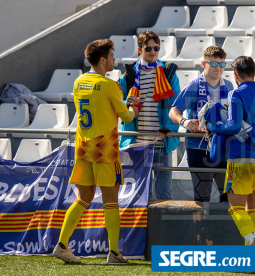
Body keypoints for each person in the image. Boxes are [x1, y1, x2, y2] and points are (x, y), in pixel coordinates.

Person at [53, 39, 138, 263]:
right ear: (102, 60)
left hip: (83, 147)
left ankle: (62, 246)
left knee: (83, 199)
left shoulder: (79, 82)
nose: (114, 60)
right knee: (111, 201)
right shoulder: (109, 85)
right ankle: (114, 253)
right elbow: (127, 117)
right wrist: (133, 105)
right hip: (105, 149)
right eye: (111, 56)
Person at [207, 56, 255, 271]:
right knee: (253, 207)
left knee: (235, 207)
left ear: (235, 75)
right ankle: (250, 257)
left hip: (241, 158)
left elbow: (233, 125)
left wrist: (213, 125)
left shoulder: (236, 92)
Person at [118, 30, 180, 201]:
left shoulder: (169, 73)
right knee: (140, 195)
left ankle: (162, 228)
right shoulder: (128, 76)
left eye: (156, 48)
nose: (153, 52)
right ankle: (143, 228)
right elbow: (116, 105)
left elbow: (177, 105)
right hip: (136, 143)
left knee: (163, 195)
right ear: (140, 49)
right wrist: (127, 104)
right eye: (148, 48)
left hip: (161, 141)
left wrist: (170, 128)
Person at [169, 46, 234, 203]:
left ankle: (225, 228)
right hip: (198, 148)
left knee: (228, 197)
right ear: (204, 63)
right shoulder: (194, 85)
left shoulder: (229, 86)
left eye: (222, 64)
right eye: (213, 64)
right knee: (202, 198)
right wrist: (184, 121)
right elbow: (173, 111)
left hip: (223, 148)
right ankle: (203, 228)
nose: (218, 68)